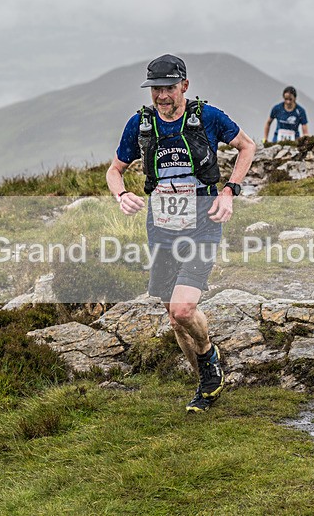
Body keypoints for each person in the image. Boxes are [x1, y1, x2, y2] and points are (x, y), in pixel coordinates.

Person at [106, 54, 256, 413]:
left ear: (184, 86)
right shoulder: (139, 125)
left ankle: (208, 358)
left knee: (184, 307)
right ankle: (206, 383)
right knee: (174, 317)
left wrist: (229, 190)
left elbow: (247, 147)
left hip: (203, 224)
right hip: (161, 228)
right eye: (156, 89)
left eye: (169, 88)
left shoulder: (207, 117)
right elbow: (115, 170)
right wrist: (122, 193)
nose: (162, 97)